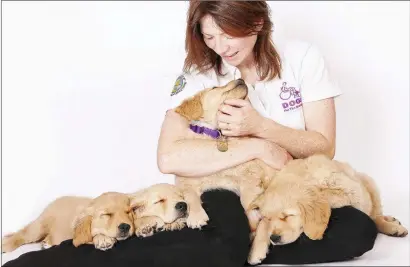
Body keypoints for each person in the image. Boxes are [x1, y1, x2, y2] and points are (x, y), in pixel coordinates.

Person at [2, 2, 378, 267]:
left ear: (257, 22)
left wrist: (261, 126)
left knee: (358, 231)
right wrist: (256, 146)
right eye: (209, 36)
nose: (220, 47)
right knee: (224, 241)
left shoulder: (302, 58)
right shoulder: (199, 73)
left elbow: (323, 148)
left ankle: (224, 246)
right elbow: (169, 157)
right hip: (225, 188)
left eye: (227, 33)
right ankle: (66, 259)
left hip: (285, 194)